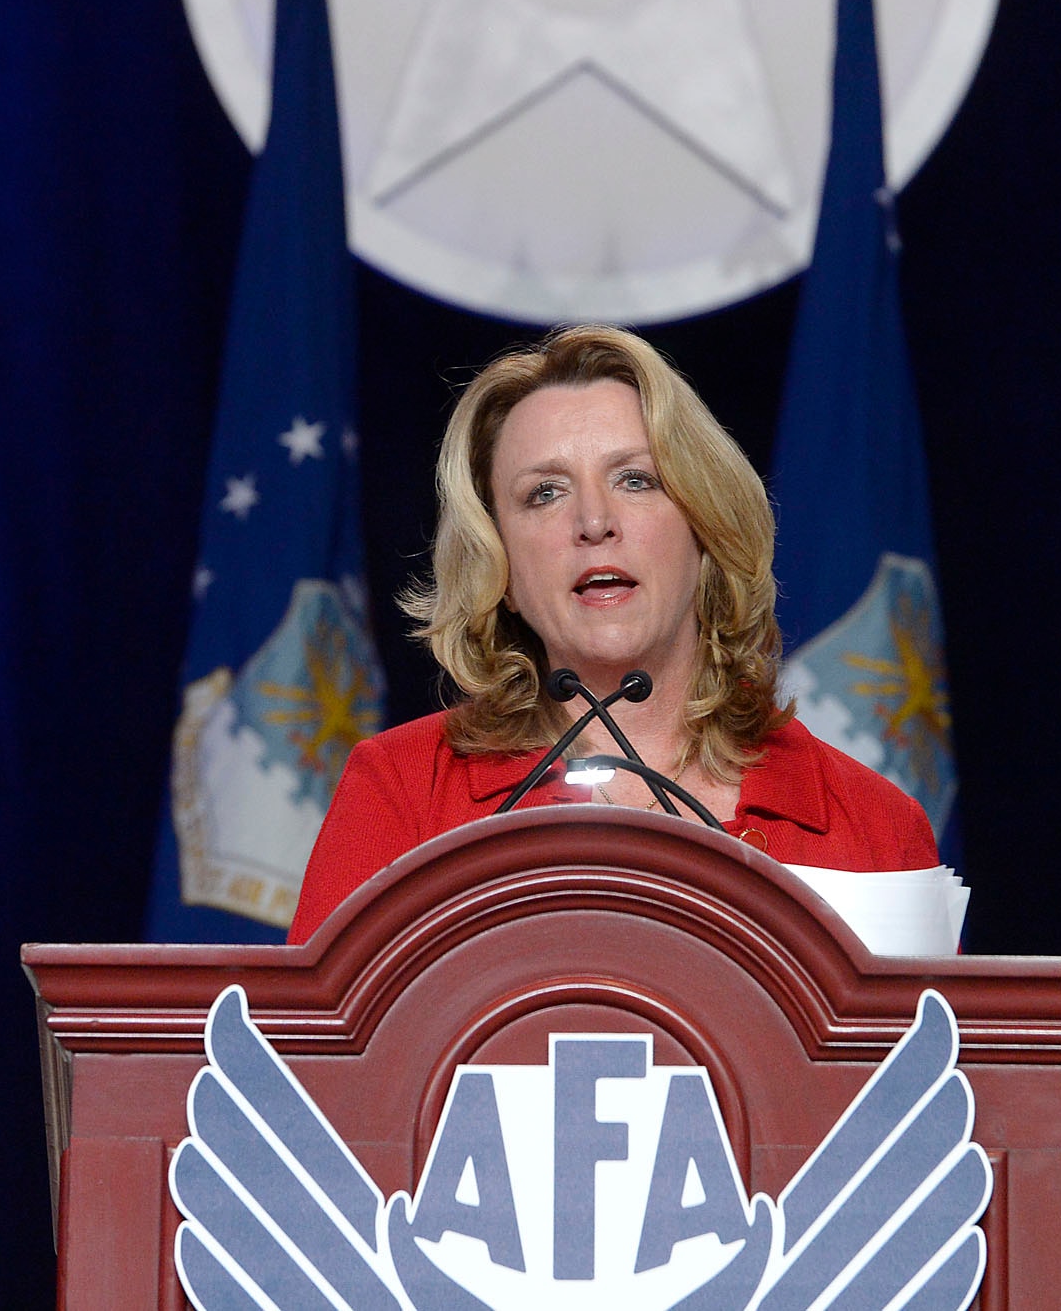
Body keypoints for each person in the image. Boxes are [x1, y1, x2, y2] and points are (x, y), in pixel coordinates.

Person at [288, 325, 937, 943]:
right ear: (500, 564)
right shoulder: (403, 793)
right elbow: (318, 1058)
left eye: (636, 479)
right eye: (544, 492)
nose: (594, 521)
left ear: (705, 529)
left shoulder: (874, 824)